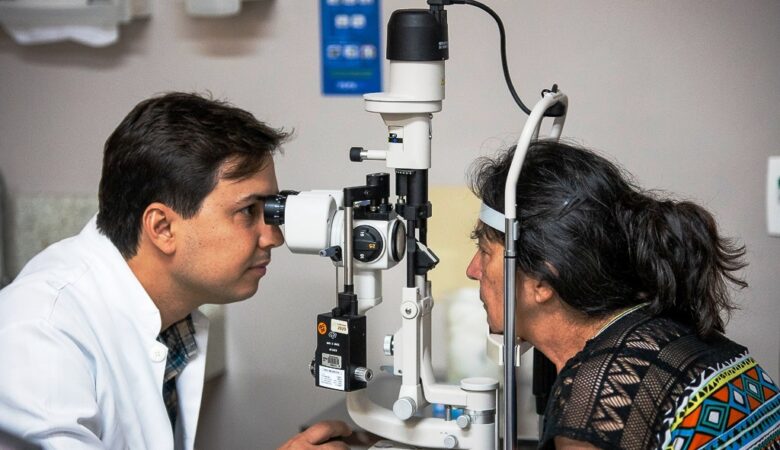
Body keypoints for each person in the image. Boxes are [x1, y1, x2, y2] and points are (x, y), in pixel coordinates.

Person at [0, 92, 351, 449]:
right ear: (163, 227)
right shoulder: (40, 336)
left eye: (271, 210)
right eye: (248, 211)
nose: (274, 237)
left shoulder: (171, 315)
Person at [466, 140, 780, 450]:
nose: (472, 269)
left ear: (543, 281)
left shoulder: (598, 405)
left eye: (485, 251)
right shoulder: (664, 332)